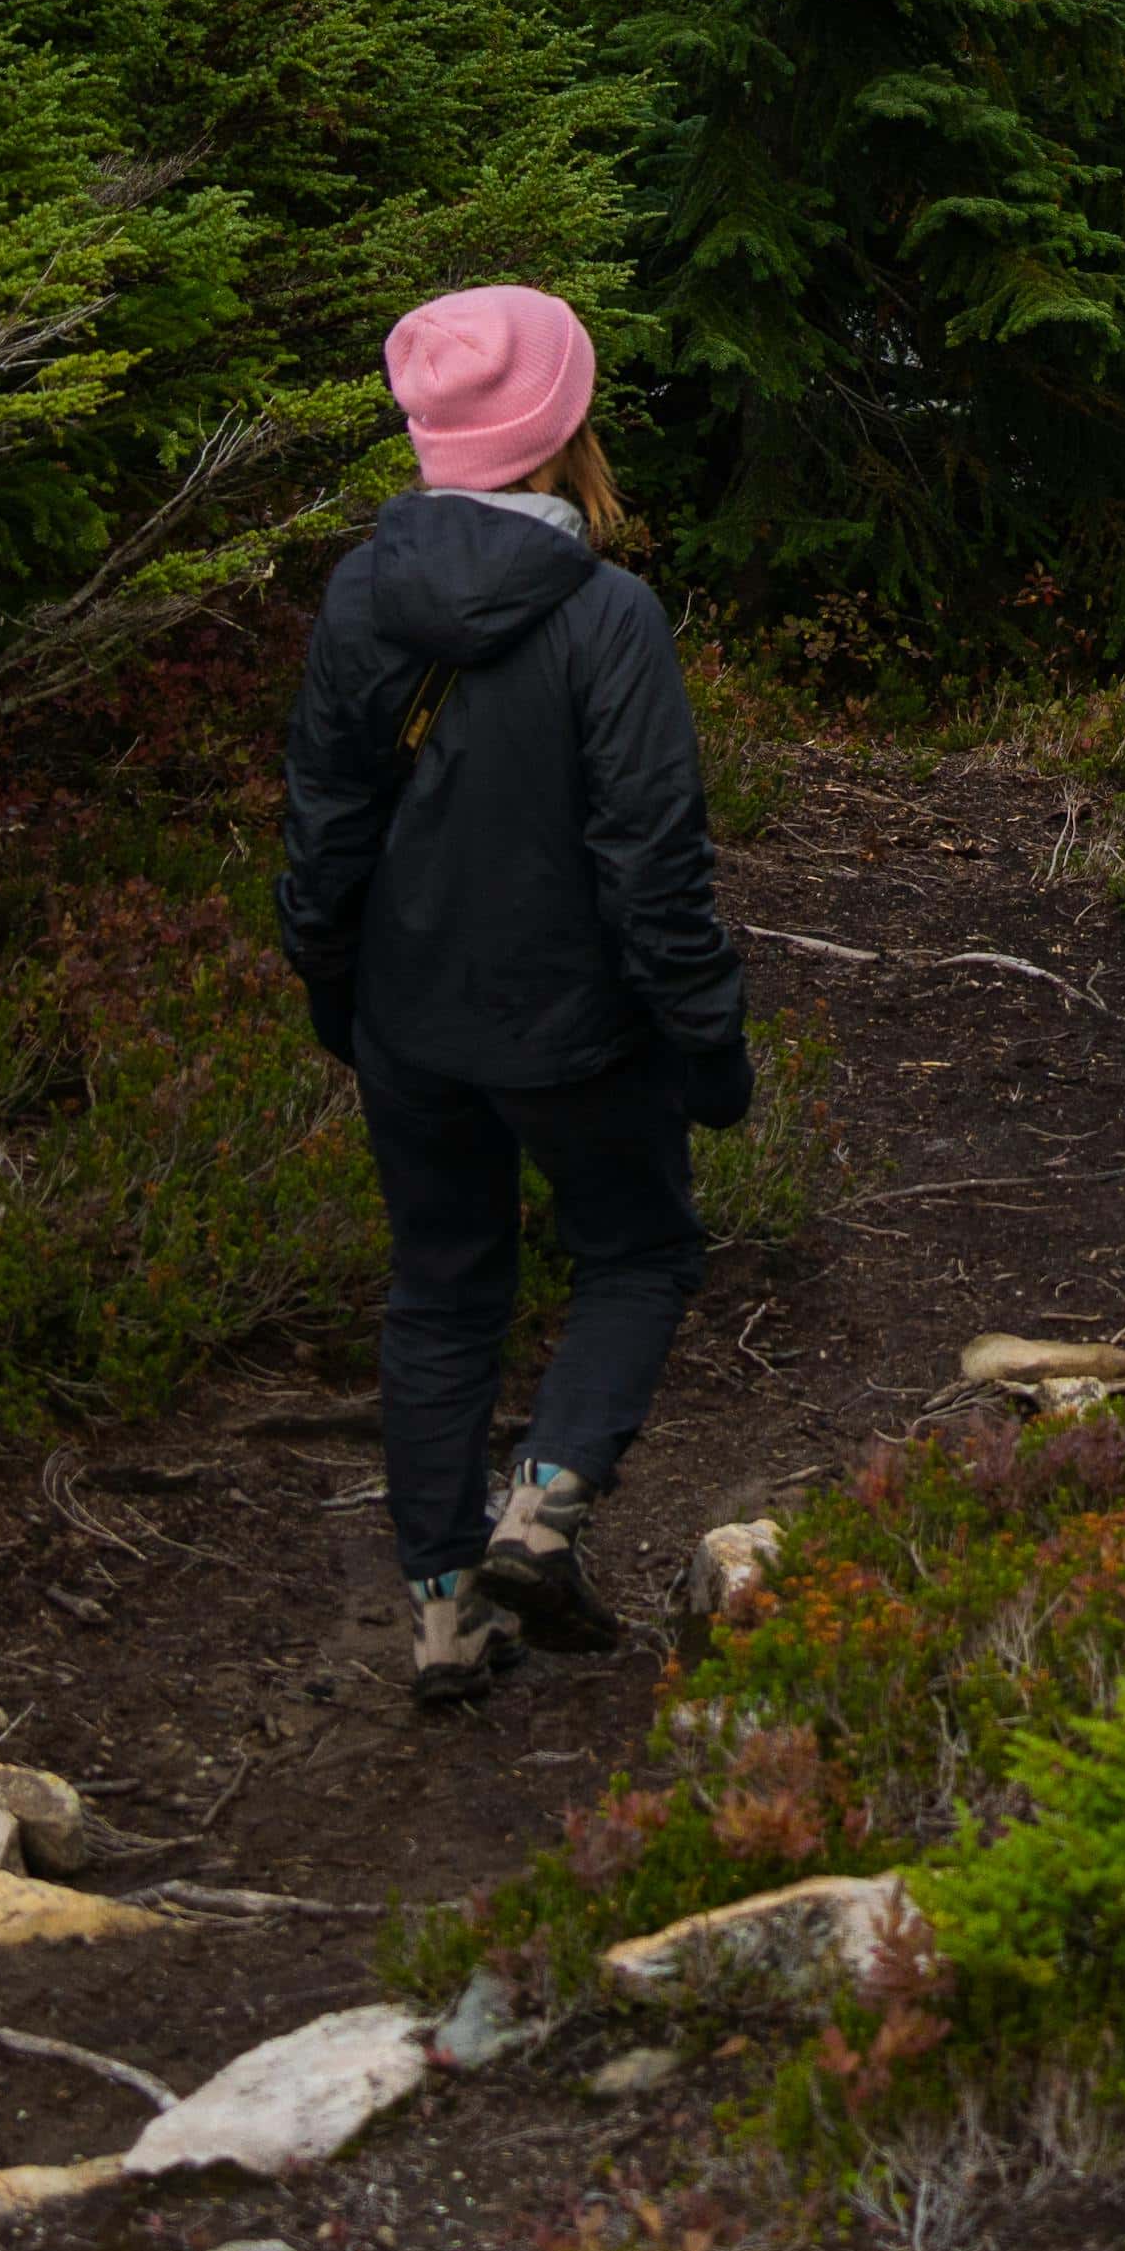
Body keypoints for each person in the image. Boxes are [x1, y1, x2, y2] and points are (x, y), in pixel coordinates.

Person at [282, 282, 754, 1699]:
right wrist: (710, 1047)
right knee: (639, 1251)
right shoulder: (610, 616)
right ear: (560, 426)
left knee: (440, 1290)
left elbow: (324, 824)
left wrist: (335, 998)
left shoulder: (362, 590)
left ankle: (445, 1616)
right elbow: (654, 870)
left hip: (406, 1020)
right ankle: (541, 1512)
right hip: (578, 1034)